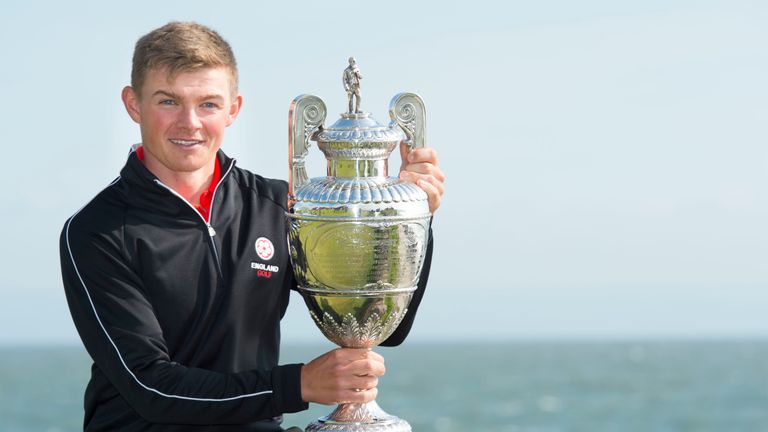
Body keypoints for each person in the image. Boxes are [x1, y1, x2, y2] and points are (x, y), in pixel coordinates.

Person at [59, 21, 445, 431]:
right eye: (168, 101)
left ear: (233, 109)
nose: (190, 122)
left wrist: (406, 223)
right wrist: (298, 384)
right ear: (133, 104)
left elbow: (387, 324)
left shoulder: (277, 206)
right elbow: (153, 388)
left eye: (208, 104)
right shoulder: (96, 230)